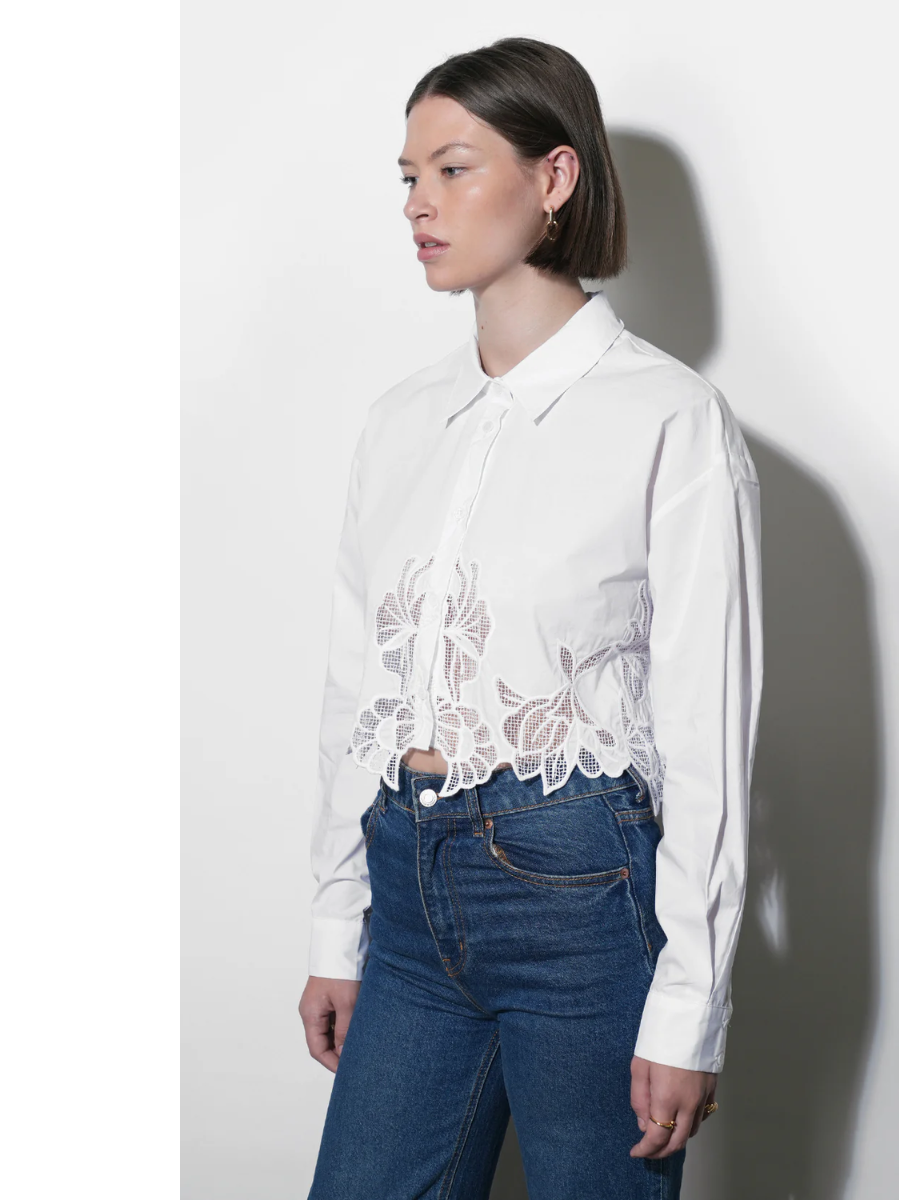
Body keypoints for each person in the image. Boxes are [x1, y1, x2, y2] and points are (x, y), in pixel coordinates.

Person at [299, 36, 763, 1200]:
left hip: (580, 901)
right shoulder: (401, 422)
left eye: (453, 169)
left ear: (555, 178)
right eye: (409, 176)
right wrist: (337, 928)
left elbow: (707, 734)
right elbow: (360, 690)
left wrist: (690, 1007)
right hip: (407, 900)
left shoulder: (670, 420)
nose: (419, 204)